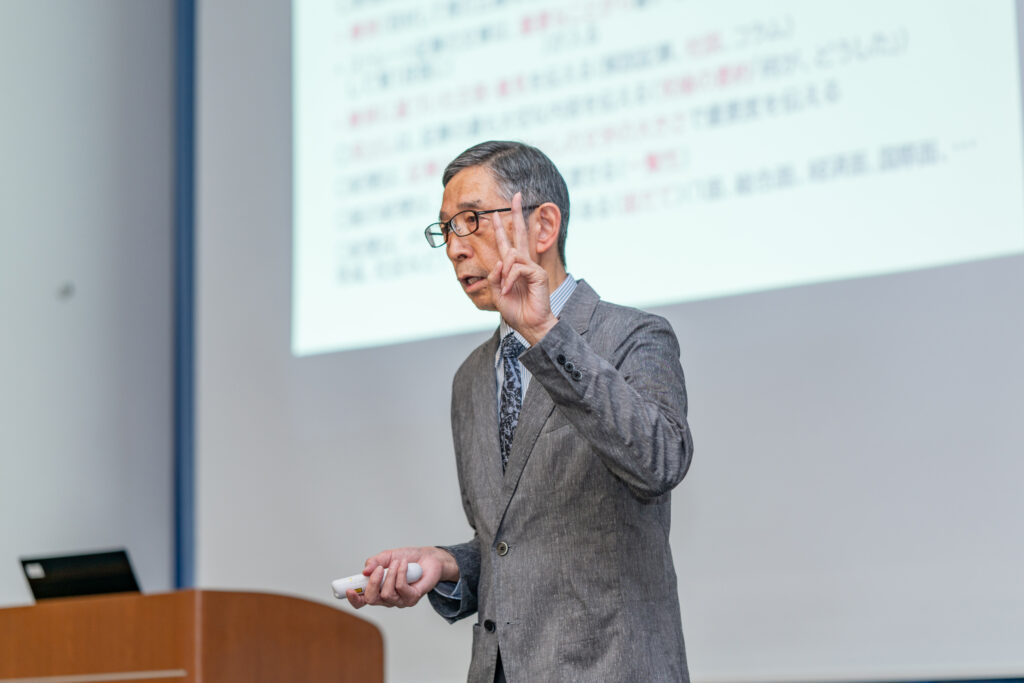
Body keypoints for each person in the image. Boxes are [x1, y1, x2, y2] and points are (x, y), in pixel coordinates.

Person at [346, 141, 694, 682]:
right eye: (446, 229)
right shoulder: (471, 376)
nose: (454, 248)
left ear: (544, 226)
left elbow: (659, 462)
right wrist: (447, 564)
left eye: (471, 220)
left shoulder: (634, 336)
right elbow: (513, 545)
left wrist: (546, 334)